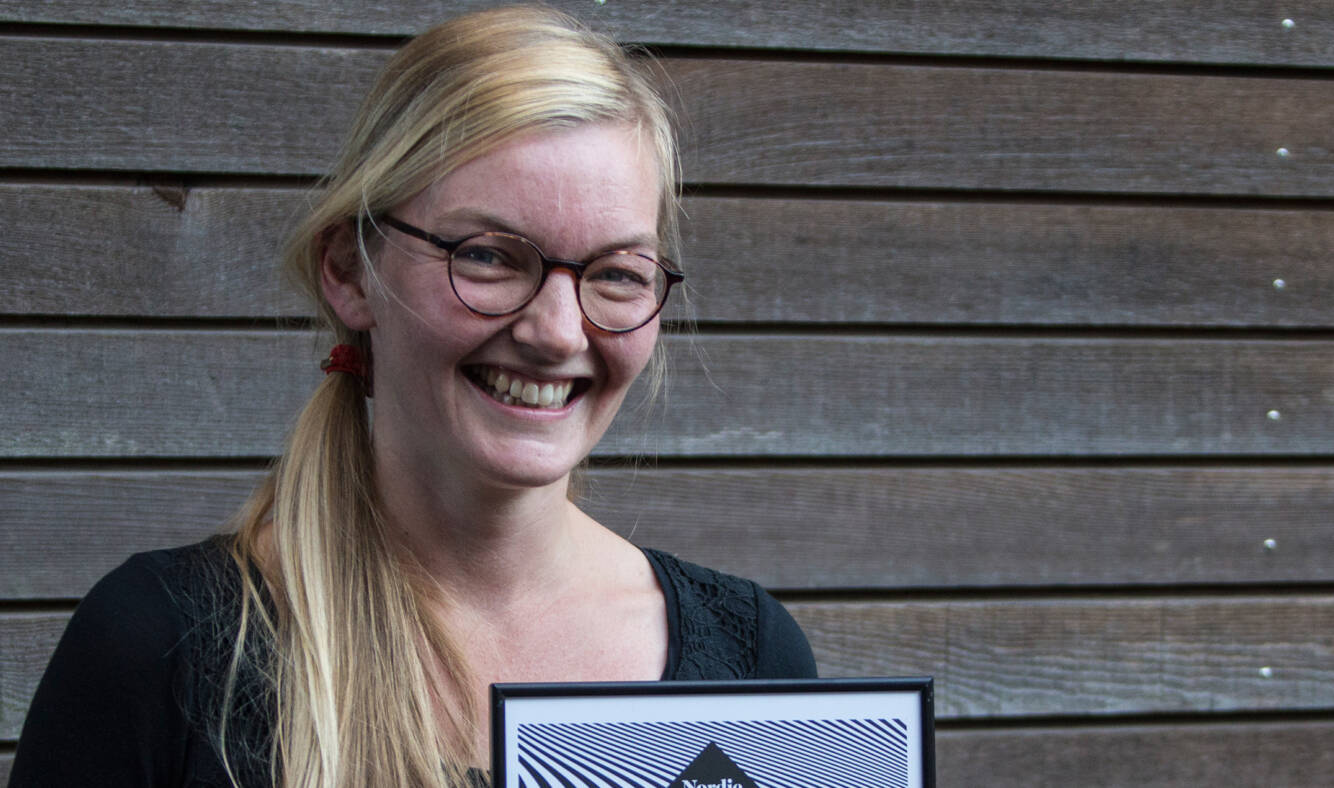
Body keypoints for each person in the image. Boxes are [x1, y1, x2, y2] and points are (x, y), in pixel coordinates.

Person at [9, 6, 814, 786]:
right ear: (350, 271)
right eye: (489, 256)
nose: (558, 332)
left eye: (616, 274)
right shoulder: (160, 648)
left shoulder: (753, 661)